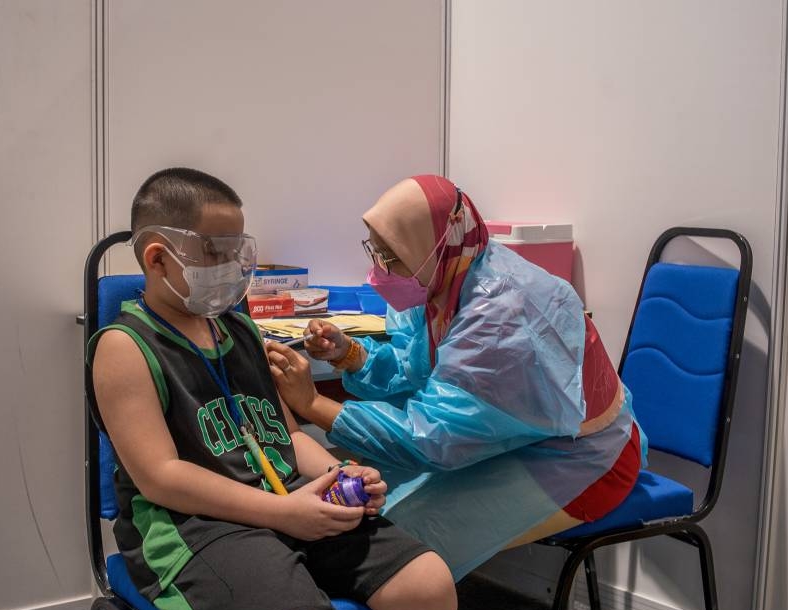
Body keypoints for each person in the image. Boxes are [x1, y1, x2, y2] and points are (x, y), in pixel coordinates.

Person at [87, 168, 456, 610]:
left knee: (429, 587)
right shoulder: (124, 348)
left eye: (238, 251)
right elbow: (161, 478)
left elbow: (286, 436)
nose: (233, 268)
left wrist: (338, 474)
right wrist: (284, 513)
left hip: (286, 501)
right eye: (216, 253)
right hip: (195, 527)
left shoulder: (239, 330)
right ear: (158, 258)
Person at [266, 174, 645, 580]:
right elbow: (417, 367)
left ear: (432, 245)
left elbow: (432, 439)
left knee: (394, 546)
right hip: (503, 440)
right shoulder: (447, 274)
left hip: (582, 459)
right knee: (359, 506)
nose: (380, 270)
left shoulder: (502, 311)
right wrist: (351, 354)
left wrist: (313, 404)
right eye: (376, 252)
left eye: (391, 256)